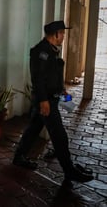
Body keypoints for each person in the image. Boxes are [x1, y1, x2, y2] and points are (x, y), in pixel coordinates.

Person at [13, 20, 94, 184]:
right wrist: (43, 101)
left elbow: (52, 75)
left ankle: (19, 157)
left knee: (33, 129)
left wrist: (62, 89)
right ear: (55, 34)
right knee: (60, 136)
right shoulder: (40, 52)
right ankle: (69, 170)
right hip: (46, 101)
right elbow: (38, 78)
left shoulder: (52, 50)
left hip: (52, 98)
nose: (64, 36)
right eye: (62, 33)